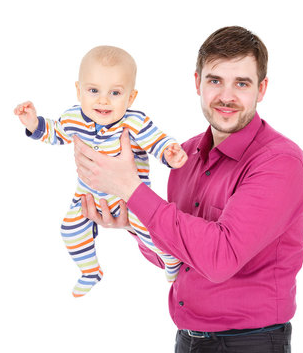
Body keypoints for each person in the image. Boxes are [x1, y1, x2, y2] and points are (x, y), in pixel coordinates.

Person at [73, 27, 303, 352]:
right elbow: (177, 256)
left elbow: (219, 259)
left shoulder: (280, 163)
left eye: (241, 83)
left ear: (262, 89)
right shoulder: (183, 157)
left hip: (251, 344)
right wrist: (133, 222)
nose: (226, 96)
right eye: (215, 80)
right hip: (187, 340)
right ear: (198, 82)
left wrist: (131, 189)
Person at [14, 46, 187, 297]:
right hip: (87, 196)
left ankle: (170, 259)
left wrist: (170, 154)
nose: (103, 100)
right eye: (93, 90)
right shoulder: (74, 117)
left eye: (115, 93)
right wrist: (34, 123)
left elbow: (156, 141)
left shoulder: (134, 121)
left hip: (131, 198)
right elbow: (55, 133)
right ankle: (90, 270)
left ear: (130, 98)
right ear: (78, 91)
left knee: (151, 229)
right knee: (70, 229)